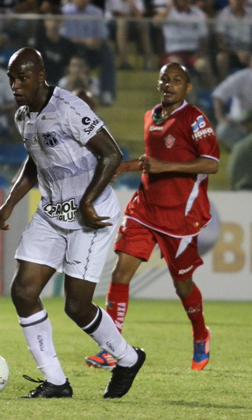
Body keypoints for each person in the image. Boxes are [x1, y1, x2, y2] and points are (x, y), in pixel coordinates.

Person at [0, 47, 145, 399]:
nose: (15, 85)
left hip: (92, 214)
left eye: (22, 78)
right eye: (11, 79)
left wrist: (88, 200)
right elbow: (34, 162)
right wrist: (9, 203)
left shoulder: (70, 108)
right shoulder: (23, 116)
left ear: (41, 76)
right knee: (23, 291)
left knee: (77, 306)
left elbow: (112, 154)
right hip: (52, 212)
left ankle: (128, 358)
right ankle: (57, 382)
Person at [83, 62, 218, 372]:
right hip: (144, 208)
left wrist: (164, 167)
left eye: (177, 80)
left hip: (180, 217)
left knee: (182, 285)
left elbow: (211, 164)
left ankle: (200, 332)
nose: (169, 84)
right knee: (120, 274)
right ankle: (111, 347)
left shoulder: (195, 119)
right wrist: (125, 167)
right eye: (164, 79)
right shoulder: (151, 116)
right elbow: (152, 162)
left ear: (187, 87)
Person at [60, 0, 116, 106]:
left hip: (90, 49)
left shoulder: (96, 12)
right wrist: (85, 40)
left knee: (106, 51)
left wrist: (97, 42)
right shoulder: (65, 12)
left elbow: (103, 34)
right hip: (71, 48)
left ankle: (106, 92)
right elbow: (63, 35)